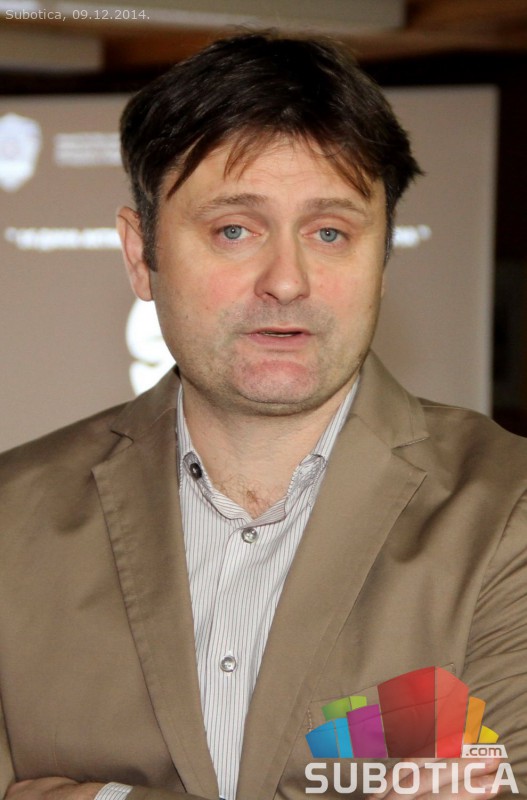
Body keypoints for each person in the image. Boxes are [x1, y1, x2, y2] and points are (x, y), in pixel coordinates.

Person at [0, 31, 526, 800]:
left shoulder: (507, 511)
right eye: (234, 230)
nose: (286, 280)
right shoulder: (9, 517)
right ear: (141, 255)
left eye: (330, 233)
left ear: (381, 259)